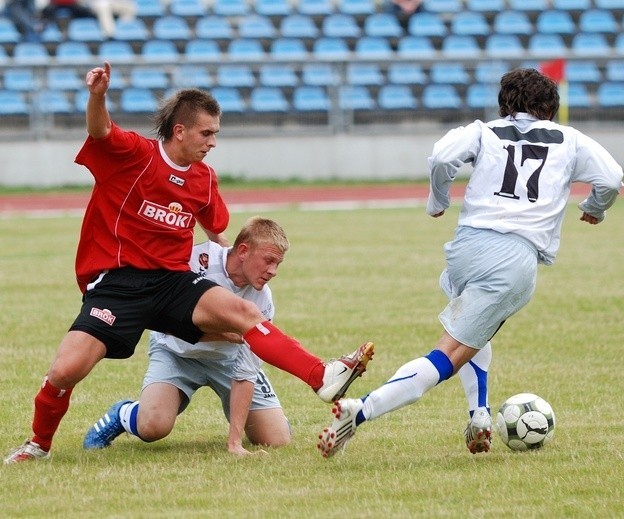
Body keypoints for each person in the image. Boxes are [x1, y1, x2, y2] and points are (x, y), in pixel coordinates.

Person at [4, 61, 374, 464]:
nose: (213, 142)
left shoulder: (204, 179)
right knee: (65, 371)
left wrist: (239, 275)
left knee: (244, 312)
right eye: (207, 133)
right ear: (179, 131)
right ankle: (37, 445)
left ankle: (322, 376)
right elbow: (100, 131)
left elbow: (218, 233)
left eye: (216, 133)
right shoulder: (134, 155)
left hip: (172, 282)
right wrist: (97, 95)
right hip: (118, 284)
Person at [317, 68, 624, 458]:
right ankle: (360, 411)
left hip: (466, 247)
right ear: (550, 108)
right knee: (447, 355)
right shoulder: (571, 139)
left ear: (505, 104)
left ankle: (479, 413)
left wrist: (438, 200)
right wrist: (595, 208)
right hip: (513, 258)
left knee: (479, 330)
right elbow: (612, 178)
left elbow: (443, 157)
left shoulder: (484, 130)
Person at [83, 217, 293, 455]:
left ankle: (273, 418)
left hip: (228, 361)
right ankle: (123, 413)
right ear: (243, 250)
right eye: (269, 261)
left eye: (278, 264)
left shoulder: (263, 301)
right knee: (152, 426)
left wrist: (234, 444)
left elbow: (246, 372)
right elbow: (159, 320)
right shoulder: (196, 261)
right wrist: (221, 334)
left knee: (276, 438)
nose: (273, 271)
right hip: (176, 352)